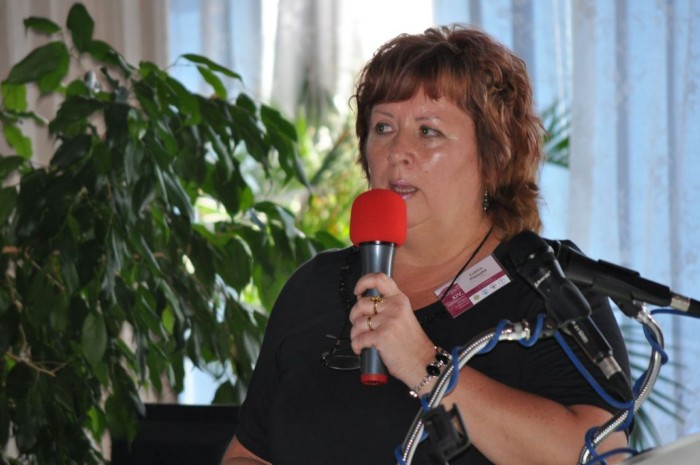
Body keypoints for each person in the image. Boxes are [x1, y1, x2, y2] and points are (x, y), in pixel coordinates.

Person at [221, 25, 632, 465]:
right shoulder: (314, 285)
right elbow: (247, 455)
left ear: (493, 158)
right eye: (383, 127)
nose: (397, 150)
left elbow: (601, 454)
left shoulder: (546, 283)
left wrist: (424, 364)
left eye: (428, 131)